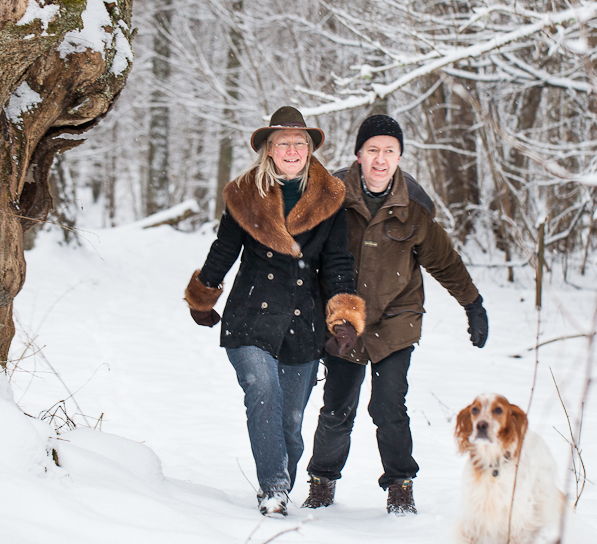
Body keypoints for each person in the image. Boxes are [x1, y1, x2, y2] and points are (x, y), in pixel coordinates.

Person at [184, 106, 366, 518]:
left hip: (303, 321)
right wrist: (203, 295)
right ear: (268, 149)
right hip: (250, 315)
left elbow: (338, 262)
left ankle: (280, 482)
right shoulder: (244, 194)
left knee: (290, 426)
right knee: (263, 390)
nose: (291, 150)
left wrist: (343, 317)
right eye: (283, 143)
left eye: (299, 143)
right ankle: (274, 490)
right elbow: (224, 249)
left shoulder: (331, 196)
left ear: (309, 149)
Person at [302, 114, 488, 515]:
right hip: (344, 320)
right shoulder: (332, 195)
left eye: (389, 151)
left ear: (400, 156)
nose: (380, 159)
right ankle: (322, 480)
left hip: (396, 318)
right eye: (373, 150)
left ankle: (400, 485)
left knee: (388, 405)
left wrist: (472, 304)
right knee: (337, 406)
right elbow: (306, 253)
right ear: (358, 154)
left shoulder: (414, 206)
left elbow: (443, 260)